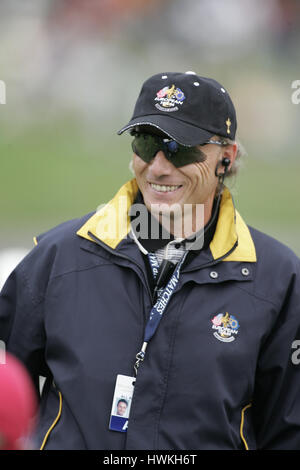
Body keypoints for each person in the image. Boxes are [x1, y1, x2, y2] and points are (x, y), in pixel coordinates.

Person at [0, 71, 300, 450]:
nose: (158, 167)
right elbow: (7, 403)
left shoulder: (278, 280)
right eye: (146, 143)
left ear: (226, 158)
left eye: (181, 148)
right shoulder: (58, 257)